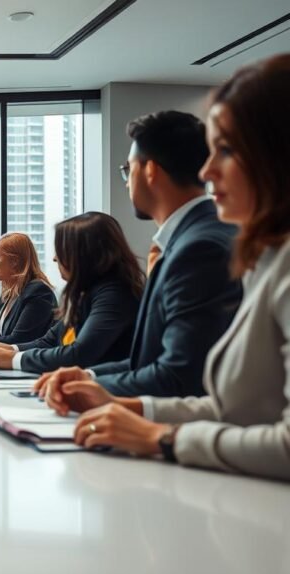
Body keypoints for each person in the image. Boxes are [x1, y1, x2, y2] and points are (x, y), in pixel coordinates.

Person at [39, 54, 290, 481]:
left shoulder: (205, 248)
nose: (208, 171)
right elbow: (232, 405)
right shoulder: (264, 255)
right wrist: (120, 404)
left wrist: (162, 437)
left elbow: (183, 376)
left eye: (225, 150)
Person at [43, 111, 242, 398]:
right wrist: (88, 375)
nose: (126, 182)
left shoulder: (199, 249)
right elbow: (149, 362)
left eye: (128, 169)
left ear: (150, 171)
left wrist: (88, 387)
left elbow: (180, 375)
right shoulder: (193, 238)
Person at [0, 213, 143, 373]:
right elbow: (49, 341)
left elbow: (79, 353)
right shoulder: (86, 294)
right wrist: (10, 349)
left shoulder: (114, 295)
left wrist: (13, 359)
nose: (55, 258)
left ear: (83, 254)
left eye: (62, 250)